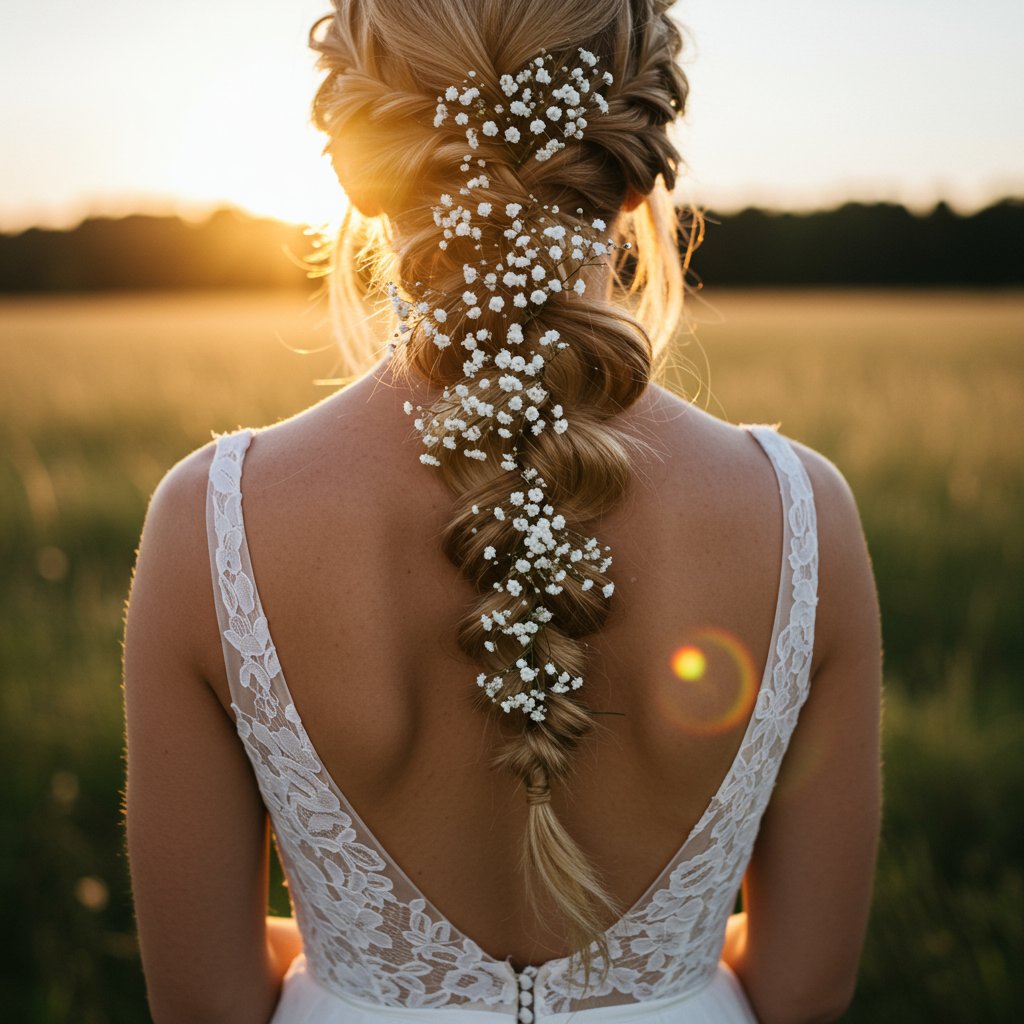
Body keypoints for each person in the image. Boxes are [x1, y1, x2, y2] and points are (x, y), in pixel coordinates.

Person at [123, 1, 882, 1021]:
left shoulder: (209, 521)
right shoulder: (804, 516)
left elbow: (204, 1004)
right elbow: (802, 989)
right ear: (631, 163)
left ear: (362, 160)